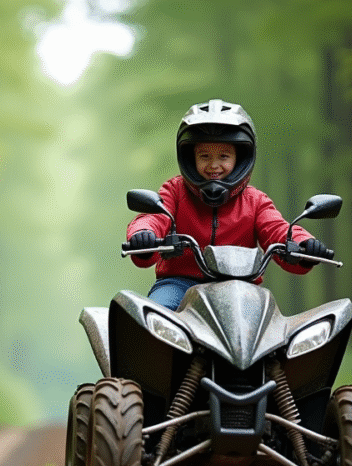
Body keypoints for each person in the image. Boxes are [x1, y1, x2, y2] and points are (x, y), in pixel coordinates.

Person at [126, 98, 333, 311]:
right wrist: (143, 234)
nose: (213, 165)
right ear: (189, 157)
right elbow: (154, 217)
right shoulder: (175, 191)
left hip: (242, 289)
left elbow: (278, 230)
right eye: (204, 156)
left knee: (277, 333)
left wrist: (304, 243)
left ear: (241, 158)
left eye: (223, 156)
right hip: (178, 283)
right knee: (153, 316)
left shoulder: (256, 201)